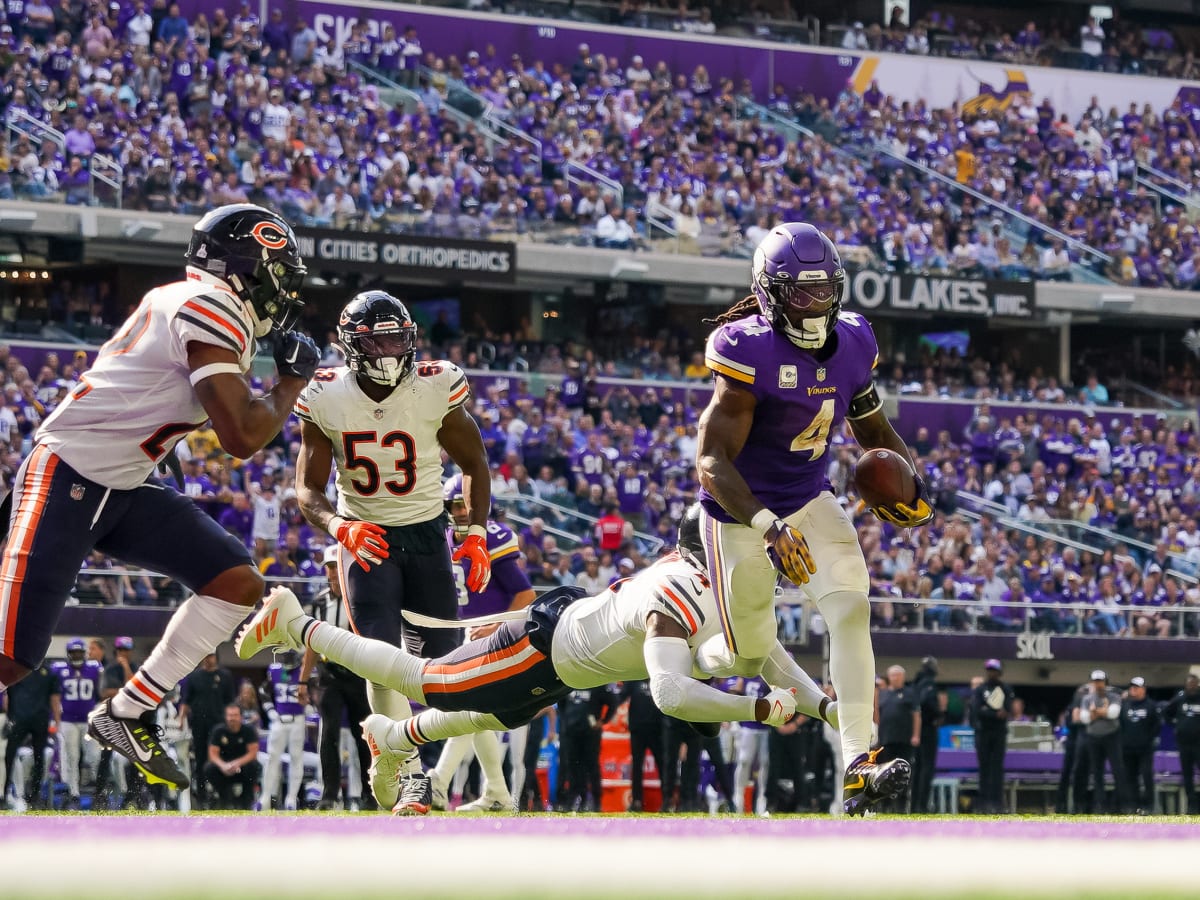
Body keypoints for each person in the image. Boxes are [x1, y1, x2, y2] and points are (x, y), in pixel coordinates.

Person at [0, 203, 318, 792]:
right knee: (13, 654)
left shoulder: (186, 297)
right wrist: (291, 385)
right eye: (278, 269)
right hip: (69, 473)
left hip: (121, 481)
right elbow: (242, 436)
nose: (284, 287)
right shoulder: (211, 308)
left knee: (236, 581)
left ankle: (127, 711)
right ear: (249, 265)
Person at [236, 504, 832, 815]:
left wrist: (830, 710)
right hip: (543, 643)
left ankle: (393, 735)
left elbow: (770, 656)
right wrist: (754, 707)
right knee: (427, 679)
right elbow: (670, 693)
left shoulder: (719, 594)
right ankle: (297, 622)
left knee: (491, 719)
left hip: (564, 664)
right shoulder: (680, 588)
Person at [694, 222, 930, 815]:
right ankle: (699, 654)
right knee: (748, 655)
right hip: (740, 510)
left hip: (809, 496)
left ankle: (858, 763)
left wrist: (911, 479)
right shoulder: (745, 348)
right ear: (770, 292)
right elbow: (711, 460)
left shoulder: (853, 340)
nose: (816, 303)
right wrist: (768, 526)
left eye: (825, 290)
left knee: (851, 605)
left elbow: (871, 428)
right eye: (801, 292)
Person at [294, 290, 492, 815]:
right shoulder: (325, 396)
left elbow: (474, 463)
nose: (386, 349)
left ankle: (473, 781)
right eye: (374, 338)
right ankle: (411, 777)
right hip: (367, 537)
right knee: (381, 664)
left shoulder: (434, 385)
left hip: (427, 534)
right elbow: (308, 490)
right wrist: (341, 527)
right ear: (349, 345)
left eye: (395, 336)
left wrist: (474, 534)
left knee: (446, 668)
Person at [430, 474, 535, 813]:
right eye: (453, 505)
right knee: (476, 714)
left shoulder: (493, 538)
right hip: (467, 632)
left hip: (498, 635)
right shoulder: (444, 538)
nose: (459, 512)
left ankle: (439, 782)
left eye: (464, 504)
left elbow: (526, 594)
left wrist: (495, 626)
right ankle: (497, 794)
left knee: (467, 708)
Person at [303, 545, 372, 811]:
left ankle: (369, 793)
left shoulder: (360, 598)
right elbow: (311, 642)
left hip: (357, 674)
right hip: (329, 673)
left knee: (362, 735)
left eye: (336, 567)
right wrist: (302, 679)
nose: (332, 573)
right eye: (329, 568)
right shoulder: (320, 602)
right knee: (328, 731)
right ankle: (329, 794)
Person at [49, 637, 102, 809]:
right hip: (68, 720)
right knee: (71, 756)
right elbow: (55, 696)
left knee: (94, 755)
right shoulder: (59, 669)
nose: (77, 655)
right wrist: (56, 720)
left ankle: (94, 784)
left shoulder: (94, 669)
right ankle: (74, 792)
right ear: (68, 654)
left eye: (79, 652)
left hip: (88, 720)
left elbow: (100, 692)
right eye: (74, 652)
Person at [178, 651, 235, 809]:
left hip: (219, 725)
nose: (208, 659)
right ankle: (202, 796)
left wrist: (232, 721)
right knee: (201, 759)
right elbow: (186, 700)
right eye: (206, 656)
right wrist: (181, 718)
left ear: (216, 657)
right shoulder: (194, 677)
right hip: (199, 724)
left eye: (211, 656)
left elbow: (231, 701)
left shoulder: (225, 676)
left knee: (222, 757)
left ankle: (223, 794)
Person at [2, 660, 59, 810]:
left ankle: (34, 795)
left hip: (37, 720)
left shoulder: (48, 672)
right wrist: (9, 718)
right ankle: (7, 792)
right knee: (9, 756)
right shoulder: (18, 669)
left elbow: (54, 698)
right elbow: (8, 697)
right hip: (20, 718)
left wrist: (57, 722)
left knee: (38, 757)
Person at [259, 650, 309, 811]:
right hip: (279, 719)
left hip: (298, 718)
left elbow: (314, 690)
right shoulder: (274, 670)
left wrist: (310, 706)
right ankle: (265, 797)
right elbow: (263, 691)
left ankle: (291, 799)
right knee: (272, 757)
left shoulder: (305, 670)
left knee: (296, 757)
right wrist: (269, 710)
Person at [970, 658, 1012, 814]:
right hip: (983, 733)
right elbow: (977, 710)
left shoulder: (1006, 689)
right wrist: (993, 713)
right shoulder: (980, 689)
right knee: (984, 768)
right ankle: (984, 803)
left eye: (994, 670)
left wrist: (988, 712)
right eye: (989, 670)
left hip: (999, 733)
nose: (991, 673)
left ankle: (997, 803)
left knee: (997, 768)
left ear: (999, 672)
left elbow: (1006, 711)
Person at [1079, 669, 1125, 813]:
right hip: (1094, 738)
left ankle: (1118, 805)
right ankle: (1100, 805)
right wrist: (1103, 712)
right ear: (1092, 683)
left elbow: (1113, 714)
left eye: (1101, 682)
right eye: (1096, 681)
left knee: (1118, 771)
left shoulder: (1114, 696)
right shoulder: (1087, 699)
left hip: (1112, 737)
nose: (1098, 685)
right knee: (1097, 772)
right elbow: (1084, 718)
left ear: (1106, 683)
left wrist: (1095, 713)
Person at [876, 664, 919, 813]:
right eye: (892, 675)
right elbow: (877, 715)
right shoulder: (882, 694)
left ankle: (901, 804)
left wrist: (915, 735)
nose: (895, 678)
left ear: (903, 677)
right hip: (887, 740)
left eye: (898, 675)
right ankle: (886, 804)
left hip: (904, 740)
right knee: (886, 773)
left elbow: (916, 715)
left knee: (902, 772)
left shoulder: (910, 693)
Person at [727, 676, 771, 815]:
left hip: (765, 726)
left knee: (765, 763)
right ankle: (738, 797)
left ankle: (762, 799)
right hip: (747, 726)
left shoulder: (768, 676)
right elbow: (735, 698)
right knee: (744, 761)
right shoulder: (744, 676)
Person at [204, 703, 261, 809]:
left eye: (235, 715)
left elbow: (253, 753)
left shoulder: (248, 731)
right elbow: (212, 754)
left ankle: (246, 801)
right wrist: (223, 765)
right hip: (224, 767)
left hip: (243, 766)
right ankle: (225, 799)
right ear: (226, 717)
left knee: (254, 766)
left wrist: (237, 763)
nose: (232, 718)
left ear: (240, 716)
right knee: (209, 768)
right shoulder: (218, 731)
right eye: (230, 715)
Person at [619, 678, 664, 812]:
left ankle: (667, 800)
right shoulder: (634, 678)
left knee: (662, 765)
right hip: (637, 730)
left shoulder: (659, 678)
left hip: (657, 730)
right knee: (637, 766)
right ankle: (637, 801)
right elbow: (620, 697)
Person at [1120, 676, 1160, 815]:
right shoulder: (1125, 705)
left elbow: (1156, 726)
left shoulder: (1151, 705)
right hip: (1127, 749)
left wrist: (1148, 740)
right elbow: (1120, 725)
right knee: (1130, 778)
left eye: (1136, 688)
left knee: (1146, 776)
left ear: (1143, 690)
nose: (1133, 690)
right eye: (1132, 687)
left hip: (1145, 749)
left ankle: (1148, 806)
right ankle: (1133, 806)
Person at [1162, 673, 1200, 814]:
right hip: (1184, 743)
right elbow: (1166, 713)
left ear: (1197, 684)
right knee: (1187, 775)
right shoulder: (1180, 698)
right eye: (1189, 684)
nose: (1191, 686)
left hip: (1199, 744)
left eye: (1193, 684)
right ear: (1185, 685)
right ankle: (1192, 805)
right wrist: (1174, 725)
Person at [910, 656, 942, 814]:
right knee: (926, 768)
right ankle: (922, 805)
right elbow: (926, 702)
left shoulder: (916, 683)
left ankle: (914, 804)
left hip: (916, 729)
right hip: (927, 729)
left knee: (918, 768)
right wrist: (938, 713)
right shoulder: (928, 683)